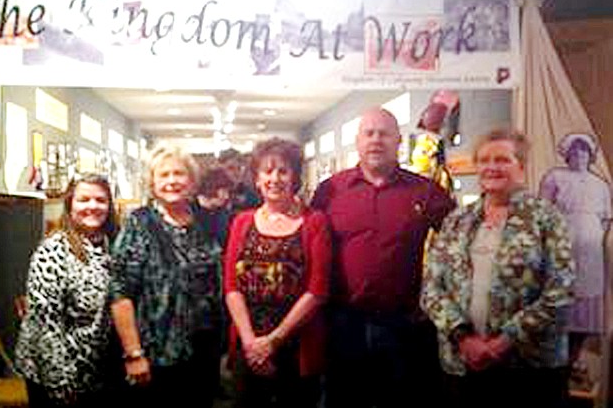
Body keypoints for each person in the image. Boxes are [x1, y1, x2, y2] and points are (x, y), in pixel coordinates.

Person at [311, 107, 455, 408]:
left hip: (403, 324)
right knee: (343, 400)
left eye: (384, 133)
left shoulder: (426, 191)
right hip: (342, 323)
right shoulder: (330, 191)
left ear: (398, 140)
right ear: (358, 140)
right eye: (369, 133)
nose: (376, 140)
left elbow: (461, 241)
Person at [421, 129, 575, 408]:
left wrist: (503, 342)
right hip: (462, 362)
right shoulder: (457, 220)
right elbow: (431, 288)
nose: (492, 167)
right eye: (484, 160)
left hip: (529, 367)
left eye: (502, 159)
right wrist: (464, 338)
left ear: (521, 167)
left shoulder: (546, 218)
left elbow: (560, 291)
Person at [109, 145, 222, 408]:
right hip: (156, 353)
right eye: (164, 175)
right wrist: (133, 353)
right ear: (152, 182)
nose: (172, 181)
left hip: (203, 351)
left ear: (192, 181)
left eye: (179, 174)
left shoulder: (205, 221)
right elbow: (120, 292)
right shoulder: (139, 223)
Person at [224, 138, 332, 408]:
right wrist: (251, 342)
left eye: (283, 171)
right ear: (257, 179)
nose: (275, 178)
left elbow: (317, 290)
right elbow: (231, 286)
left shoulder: (314, 222)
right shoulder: (242, 222)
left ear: (295, 177)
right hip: (247, 345)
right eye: (267, 171)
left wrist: (273, 341)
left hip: (296, 346)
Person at [15, 173, 118, 407]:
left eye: (100, 200)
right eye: (84, 199)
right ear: (70, 204)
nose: (93, 206)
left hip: (99, 371)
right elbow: (45, 325)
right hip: (57, 373)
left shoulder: (114, 244)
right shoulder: (52, 252)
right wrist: (60, 383)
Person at [540, 134, 612, 346]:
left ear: (590, 156)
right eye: (574, 152)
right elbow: (544, 211)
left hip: (591, 241)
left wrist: (593, 235)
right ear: (567, 155)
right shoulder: (555, 177)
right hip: (564, 234)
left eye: (583, 152)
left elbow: (606, 219)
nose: (579, 156)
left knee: (588, 284)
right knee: (564, 280)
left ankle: (585, 340)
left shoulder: (600, 185)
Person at [219, 148, 261, 213]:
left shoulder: (250, 195)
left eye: (239, 168)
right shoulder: (214, 194)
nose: (236, 173)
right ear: (221, 170)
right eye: (230, 168)